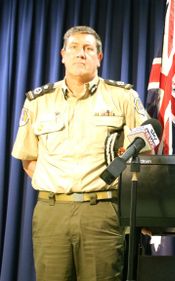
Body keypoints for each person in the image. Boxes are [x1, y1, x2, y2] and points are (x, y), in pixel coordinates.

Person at [11, 26, 149, 280]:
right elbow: (28, 158)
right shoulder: (38, 101)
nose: (80, 54)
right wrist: (61, 186)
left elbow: (145, 151)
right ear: (63, 55)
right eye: (74, 48)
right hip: (52, 211)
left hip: (102, 211)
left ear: (99, 57)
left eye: (88, 49)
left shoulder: (124, 97)